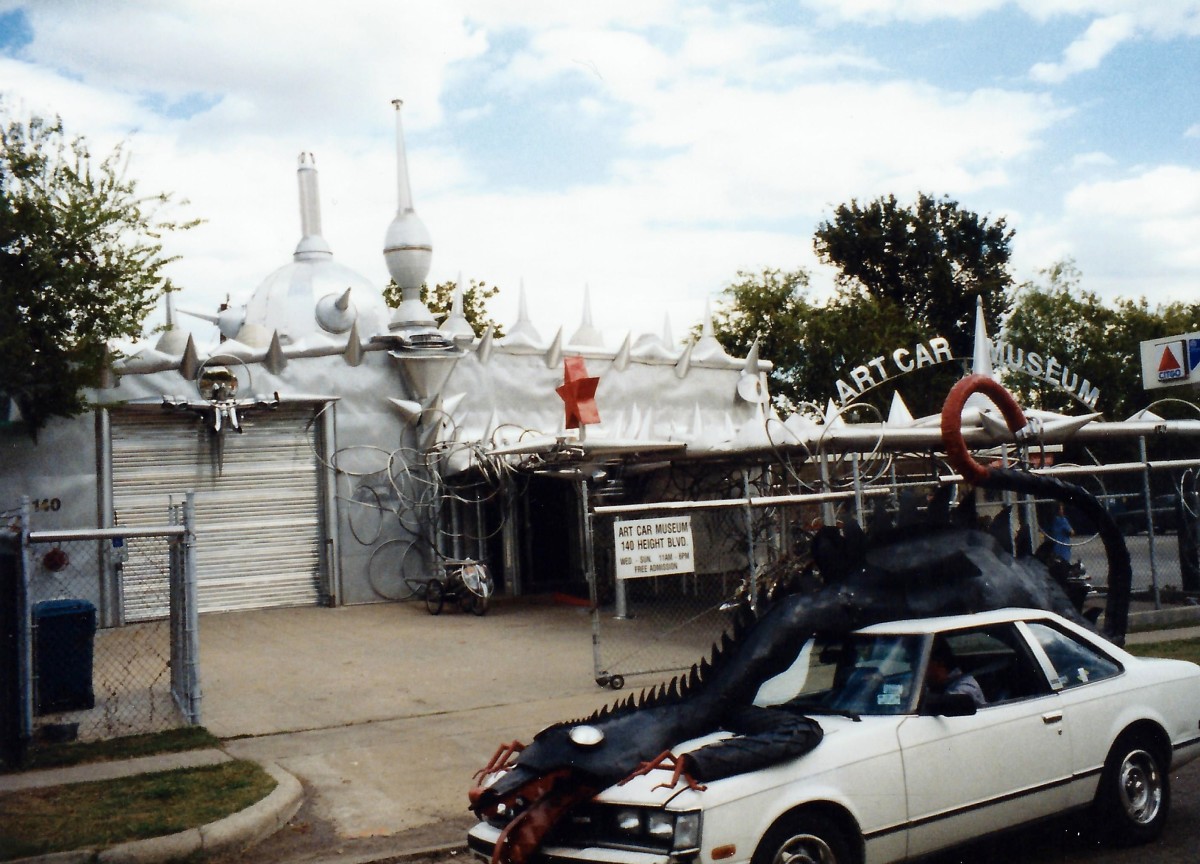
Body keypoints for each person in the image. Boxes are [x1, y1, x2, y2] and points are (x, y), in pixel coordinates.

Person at [925, 639, 986, 707]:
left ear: (939, 663)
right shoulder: (937, 685)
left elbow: (947, 707)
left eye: (924, 664)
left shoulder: (965, 686)